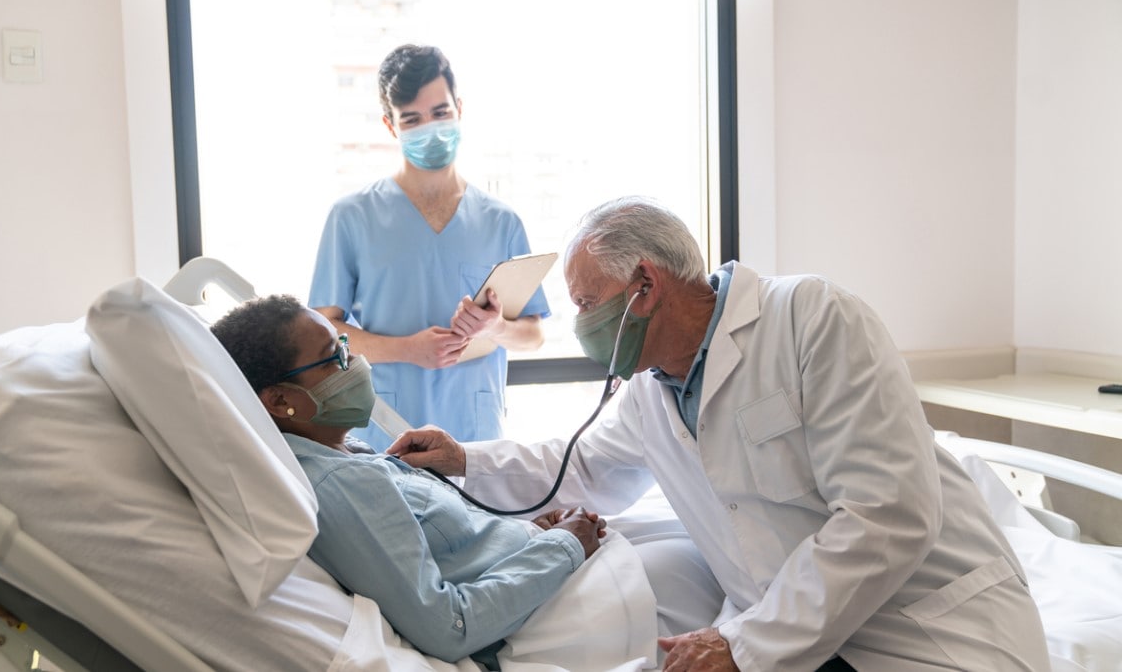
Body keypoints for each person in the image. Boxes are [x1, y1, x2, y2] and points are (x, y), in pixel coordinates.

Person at [388, 196, 1053, 671]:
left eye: (588, 303)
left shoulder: (811, 319)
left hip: (925, 630)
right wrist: (461, 457)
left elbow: (890, 514)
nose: (582, 324)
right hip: (791, 634)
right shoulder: (651, 392)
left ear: (644, 284)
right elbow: (583, 467)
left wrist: (744, 645)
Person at [209, 295, 602, 666]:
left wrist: (525, 536)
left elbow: (447, 552)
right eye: (334, 359)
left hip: (543, 576)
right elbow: (449, 627)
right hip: (548, 612)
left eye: (344, 346)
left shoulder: (343, 452)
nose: (356, 362)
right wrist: (565, 546)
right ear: (279, 401)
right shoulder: (339, 485)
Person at [309, 43, 548, 451]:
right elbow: (325, 333)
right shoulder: (352, 217)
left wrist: (497, 327)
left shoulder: (501, 221)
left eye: (440, 114)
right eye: (413, 120)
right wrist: (407, 350)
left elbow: (534, 335)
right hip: (386, 431)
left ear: (459, 108)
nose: (431, 129)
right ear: (390, 126)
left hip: (476, 437)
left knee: (480, 516)